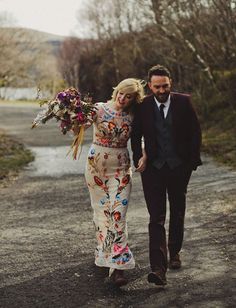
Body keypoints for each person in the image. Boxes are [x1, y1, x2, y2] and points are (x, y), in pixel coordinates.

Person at [131, 64, 202, 286]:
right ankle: (158, 269)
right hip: (153, 170)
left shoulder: (183, 102)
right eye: (157, 87)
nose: (162, 91)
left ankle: (175, 252)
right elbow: (135, 136)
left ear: (170, 83)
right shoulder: (142, 107)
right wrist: (138, 159)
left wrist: (190, 163)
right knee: (156, 218)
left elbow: (195, 133)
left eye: (165, 86)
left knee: (178, 210)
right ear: (150, 86)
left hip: (179, 168)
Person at [84, 78, 144, 287]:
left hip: (121, 169)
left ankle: (118, 266)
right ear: (116, 90)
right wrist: (71, 114)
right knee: (102, 213)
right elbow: (80, 123)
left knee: (118, 212)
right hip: (96, 169)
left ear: (133, 99)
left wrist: (143, 155)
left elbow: (141, 137)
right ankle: (103, 254)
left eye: (128, 96)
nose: (123, 98)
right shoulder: (99, 109)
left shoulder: (134, 116)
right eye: (121, 93)